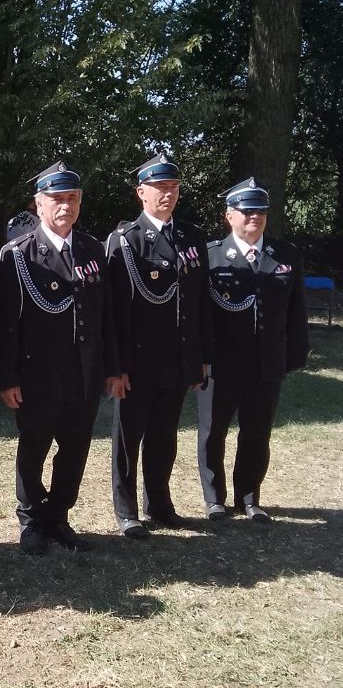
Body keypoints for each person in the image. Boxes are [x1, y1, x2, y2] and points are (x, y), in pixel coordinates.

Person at [0, 162, 123, 554]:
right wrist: (8, 377)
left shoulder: (92, 250)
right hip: (37, 375)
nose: (64, 206)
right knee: (33, 447)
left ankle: (59, 516)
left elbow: (108, 316)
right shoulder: (18, 254)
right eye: (56, 199)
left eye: (71, 198)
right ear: (39, 203)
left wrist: (114, 368)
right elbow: (5, 323)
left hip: (84, 374)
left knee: (75, 448)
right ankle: (32, 520)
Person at [106, 156, 212, 538]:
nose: (167, 195)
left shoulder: (192, 238)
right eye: (159, 188)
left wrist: (201, 358)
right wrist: (115, 366)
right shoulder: (125, 240)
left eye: (173, 188)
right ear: (141, 193)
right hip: (137, 359)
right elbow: (114, 311)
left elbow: (201, 303)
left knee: (165, 436)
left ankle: (160, 504)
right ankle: (126, 510)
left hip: (177, 357)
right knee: (128, 437)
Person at [197, 177, 309, 523]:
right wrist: (199, 358)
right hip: (222, 364)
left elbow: (296, 312)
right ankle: (215, 499)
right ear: (228, 215)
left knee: (257, 432)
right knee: (212, 432)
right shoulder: (211, 255)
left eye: (260, 211)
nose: (254, 218)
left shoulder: (285, 255)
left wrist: (292, 356)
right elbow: (200, 314)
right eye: (246, 212)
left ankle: (249, 497)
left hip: (266, 364)